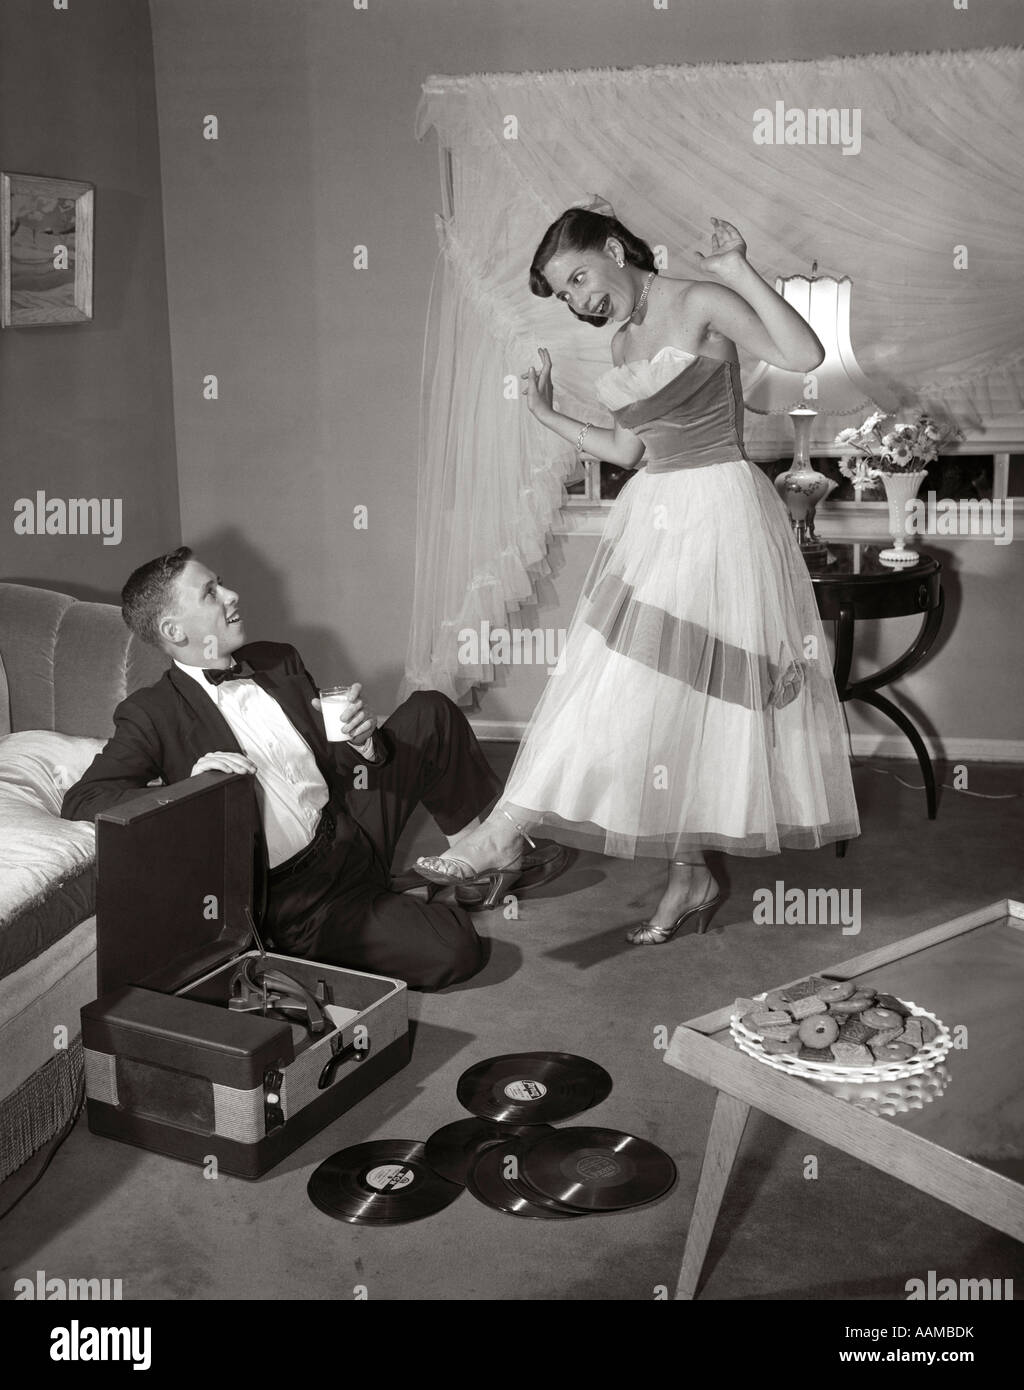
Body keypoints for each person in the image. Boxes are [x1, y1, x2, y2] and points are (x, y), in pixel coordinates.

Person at [417, 205, 860, 943]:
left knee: (676, 692)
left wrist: (736, 269)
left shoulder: (699, 300)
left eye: (580, 276)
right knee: (641, 690)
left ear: (617, 251)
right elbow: (627, 453)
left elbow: (803, 354)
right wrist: (546, 411)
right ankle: (685, 874)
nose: (579, 299)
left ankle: (506, 833)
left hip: (720, 512)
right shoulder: (623, 342)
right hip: (655, 517)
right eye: (564, 294)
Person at [61, 547, 558, 990]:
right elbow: (84, 800)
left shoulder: (278, 660)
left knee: (430, 710)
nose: (232, 595)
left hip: (348, 823)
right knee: (455, 949)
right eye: (212, 592)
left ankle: (480, 852)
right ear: (175, 630)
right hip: (302, 900)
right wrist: (193, 788)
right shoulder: (152, 713)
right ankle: (402, 899)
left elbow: (333, 762)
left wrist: (364, 744)